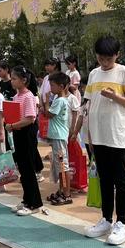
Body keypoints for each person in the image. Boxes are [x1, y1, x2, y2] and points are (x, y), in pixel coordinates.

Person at [84, 36, 125, 246]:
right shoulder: (94, 74)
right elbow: (89, 105)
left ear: (117, 55)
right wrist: (90, 135)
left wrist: (114, 96)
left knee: (121, 180)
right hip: (98, 133)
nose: (105, 62)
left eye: (109, 58)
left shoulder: (123, 72)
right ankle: (106, 219)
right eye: (101, 57)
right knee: (104, 179)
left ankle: (123, 222)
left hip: (116, 133)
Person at [6, 66, 43, 216]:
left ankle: (34, 203)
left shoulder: (28, 96)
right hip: (18, 133)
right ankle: (27, 199)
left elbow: (30, 119)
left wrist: (13, 125)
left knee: (28, 169)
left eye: (14, 78)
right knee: (23, 168)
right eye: (12, 78)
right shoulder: (16, 97)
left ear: (24, 80)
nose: (12, 81)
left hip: (26, 134)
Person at [45, 72, 72, 205]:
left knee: (62, 166)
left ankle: (66, 194)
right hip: (58, 137)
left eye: (52, 85)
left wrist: (45, 102)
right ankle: (62, 190)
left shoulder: (60, 100)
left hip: (59, 137)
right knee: (59, 165)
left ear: (61, 86)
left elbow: (48, 114)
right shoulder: (60, 99)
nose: (51, 88)